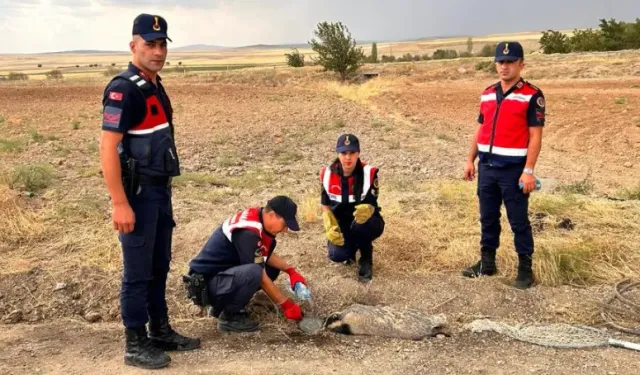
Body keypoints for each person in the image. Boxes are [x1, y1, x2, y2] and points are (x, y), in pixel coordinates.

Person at [99, 13, 199, 370]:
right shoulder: (123, 88)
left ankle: (160, 330)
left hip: (160, 192)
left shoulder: (154, 84)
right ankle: (135, 343)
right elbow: (108, 147)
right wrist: (119, 202)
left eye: (161, 45)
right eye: (149, 44)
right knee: (137, 271)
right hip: (138, 195)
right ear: (133, 46)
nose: (157, 51)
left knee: (159, 266)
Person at [462, 41, 546, 289]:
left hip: (513, 171)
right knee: (487, 217)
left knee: (518, 220)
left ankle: (525, 270)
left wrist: (528, 170)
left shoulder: (532, 95)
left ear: (521, 64)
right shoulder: (487, 93)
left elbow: (536, 136)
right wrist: (470, 159)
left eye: (510, 62)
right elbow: (481, 128)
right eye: (500, 62)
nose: (504, 66)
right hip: (487, 167)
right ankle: (487, 263)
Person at [187, 196, 308, 332]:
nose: (285, 230)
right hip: (206, 285)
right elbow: (259, 274)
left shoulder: (258, 218)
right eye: (285, 225)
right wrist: (286, 304)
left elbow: (261, 253)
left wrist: (290, 271)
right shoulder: (248, 233)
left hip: (220, 278)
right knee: (255, 272)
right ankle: (229, 317)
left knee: (271, 269)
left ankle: (227, 304)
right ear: (272, 215)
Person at [320, 133, 385, 281]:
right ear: (338, 153)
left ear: (358, 153)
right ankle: (350, 250)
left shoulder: (369, 173)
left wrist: (369, 209)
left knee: (362, 226)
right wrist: (329, 224)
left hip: (364, 221)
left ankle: (366, 257)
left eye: (352, 153)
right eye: (343, 153)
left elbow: (373, 204)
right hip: (342, 222)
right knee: (337, 255)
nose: (347, 157)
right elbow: (325, 205)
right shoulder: (327, 174)